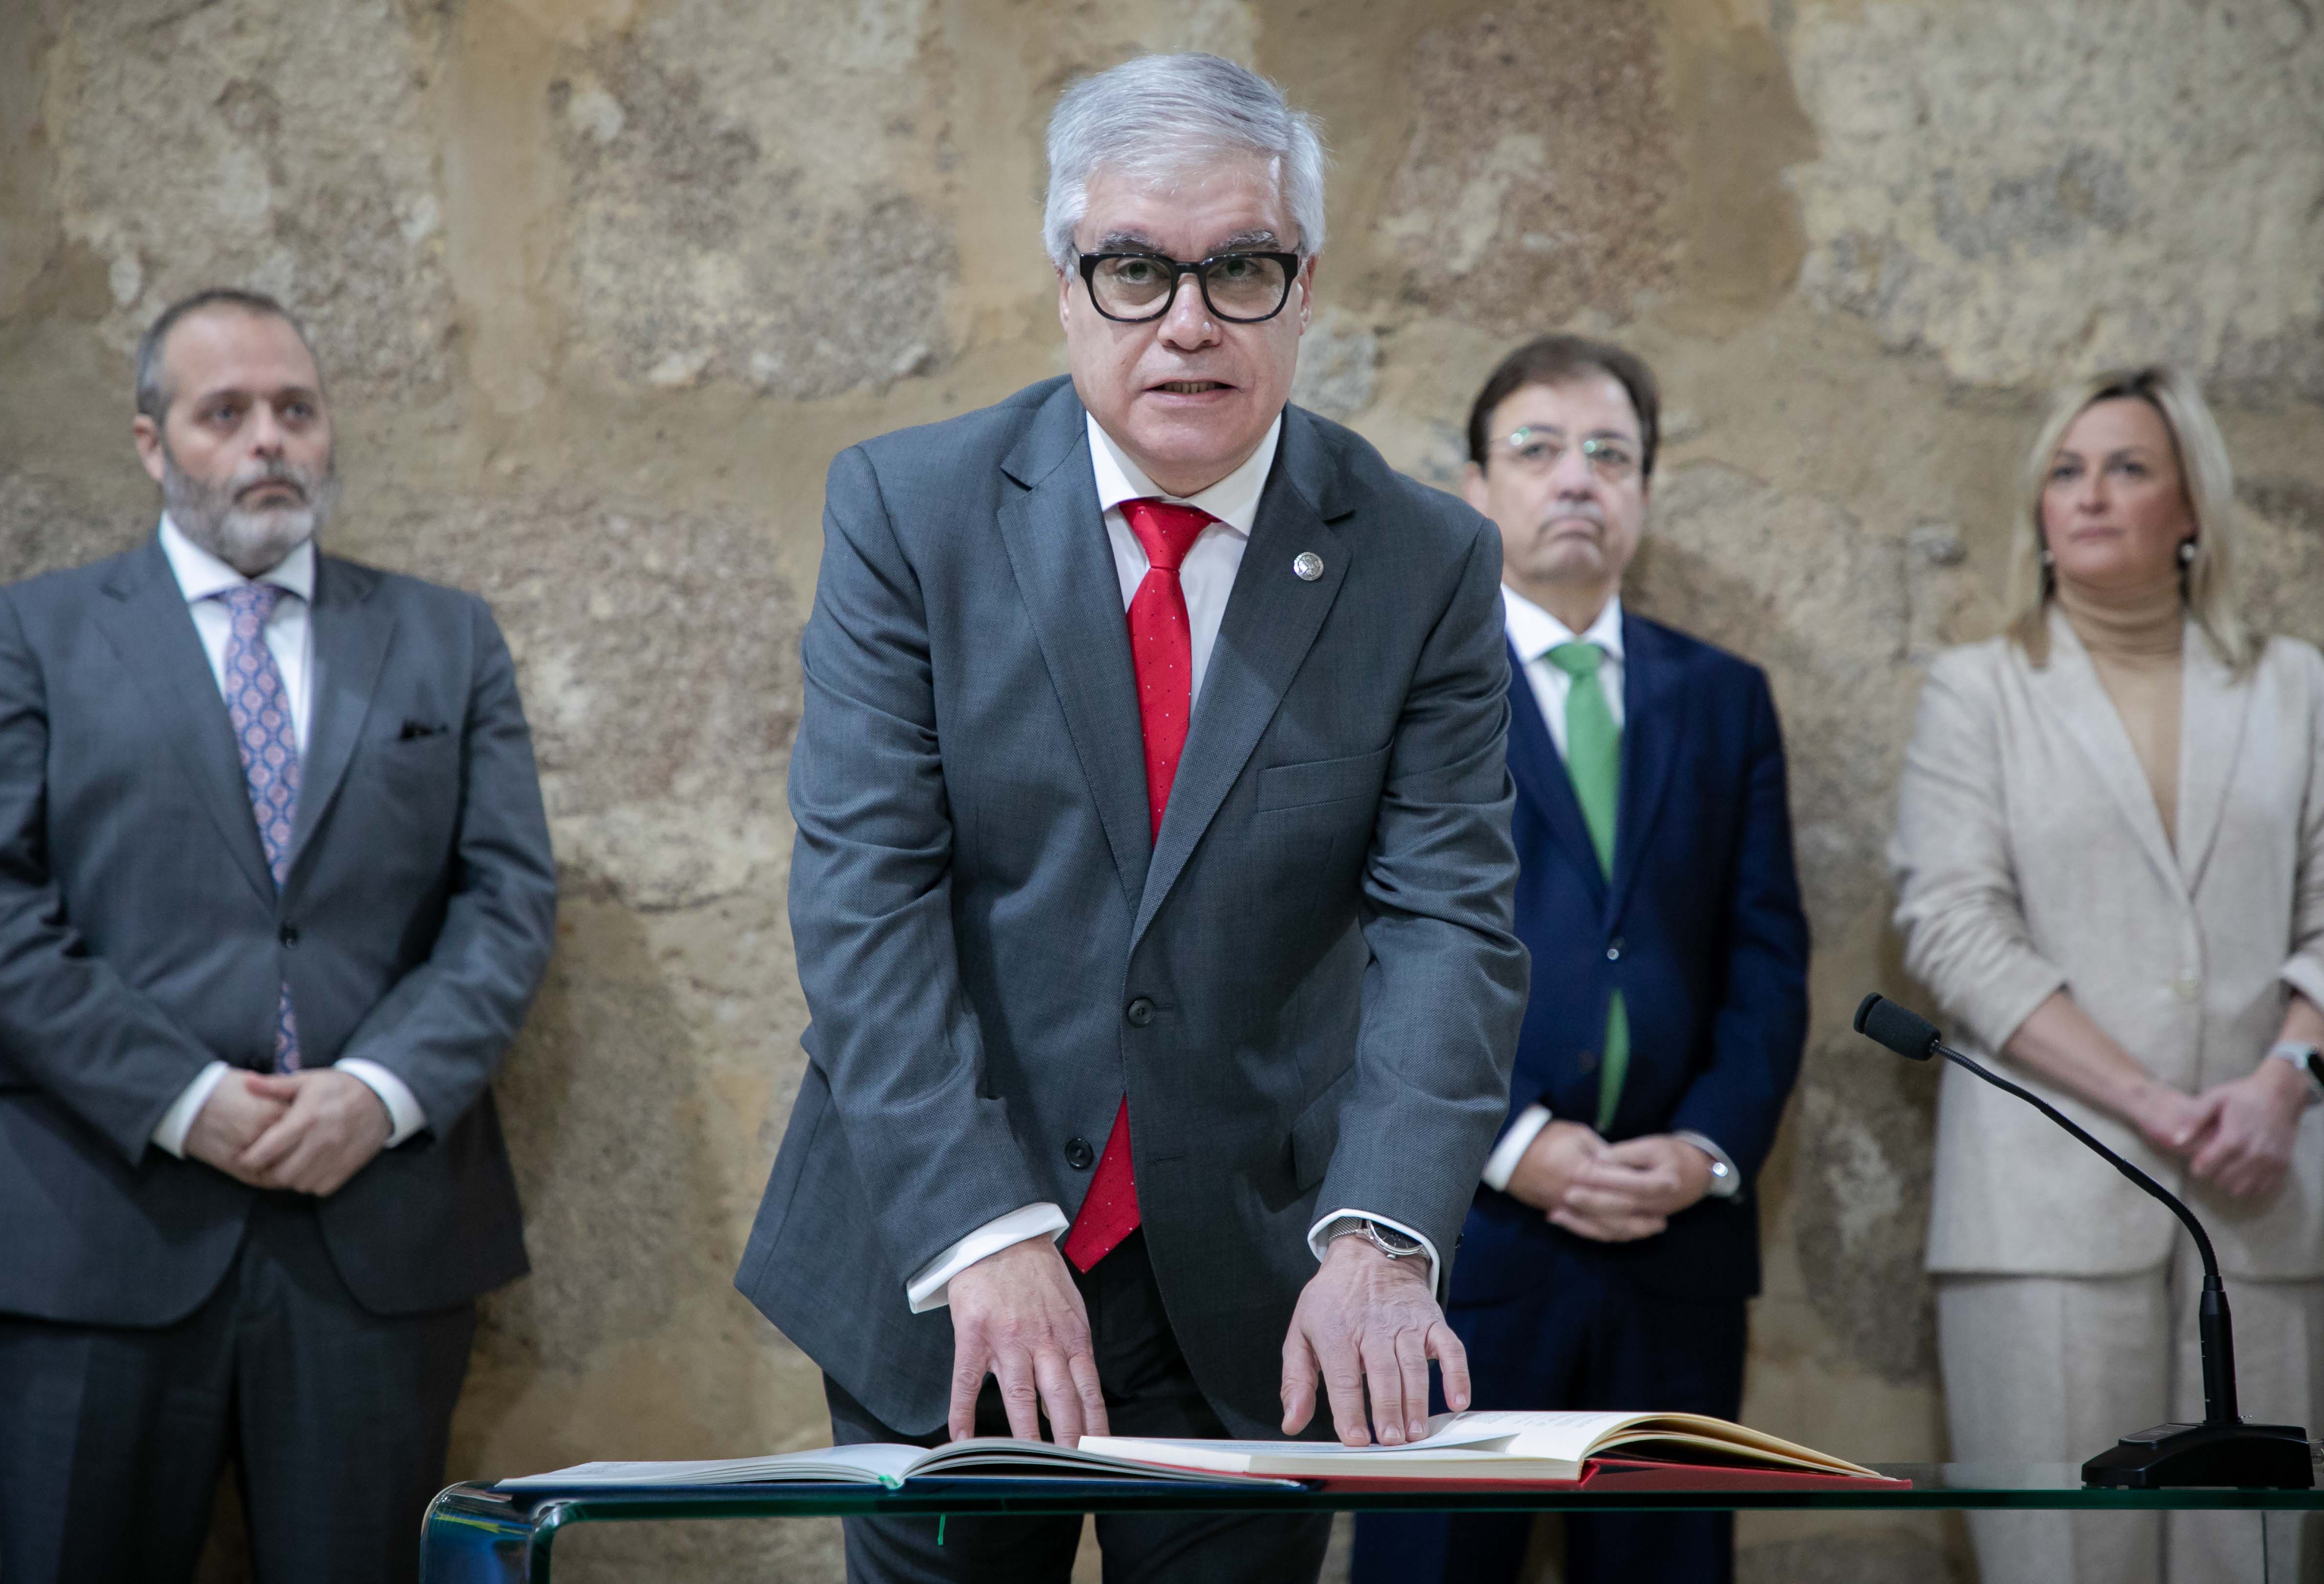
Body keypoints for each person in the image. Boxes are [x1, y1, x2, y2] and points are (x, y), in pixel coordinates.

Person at [734, 52, 1530, 1584]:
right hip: (951, 1259)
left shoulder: (1423, 563)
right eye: (1134, 269)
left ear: (1305, 291)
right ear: (1065, 286)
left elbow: (1450, 920)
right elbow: (866, 901)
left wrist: (1382, 1234)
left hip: (1256, 1277)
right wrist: (982, 1228)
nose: (1189, 320)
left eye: (1240, 267)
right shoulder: (910, 514)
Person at [0, 288, 557, 1584]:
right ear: (152, 444)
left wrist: (380, 1092)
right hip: (94, 1235)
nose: (269, 439)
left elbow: (505, 899)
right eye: (225, 413)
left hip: (372, 1241)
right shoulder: (30, 635)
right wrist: (180, 1094)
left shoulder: (445, 638)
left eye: (297, 409)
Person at [1351, 336, 1808, 1584]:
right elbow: (1355, 949)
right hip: (1462, 1236)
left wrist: (1709, 1150)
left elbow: (1767, 957)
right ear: (1476, 483)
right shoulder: (1407, 689)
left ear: (1646, 490)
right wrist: (1510, 1141)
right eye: (1539, 451)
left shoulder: (1723, 698)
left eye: (1611, 454)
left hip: (1677, 1249)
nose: (1576, 480)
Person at [1891, 366, 2324, 1584]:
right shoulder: (1978, 691)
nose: (2087, 495)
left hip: (2263, 1193)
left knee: (2252, 1558)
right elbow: (1953, 925)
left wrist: (2281, 1080)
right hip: (2046, 1207)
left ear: (2193, 505)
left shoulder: (2297, 687)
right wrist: (2148, 1099)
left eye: (2126, 468)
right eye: (2064, 471)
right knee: (2061, 1561)